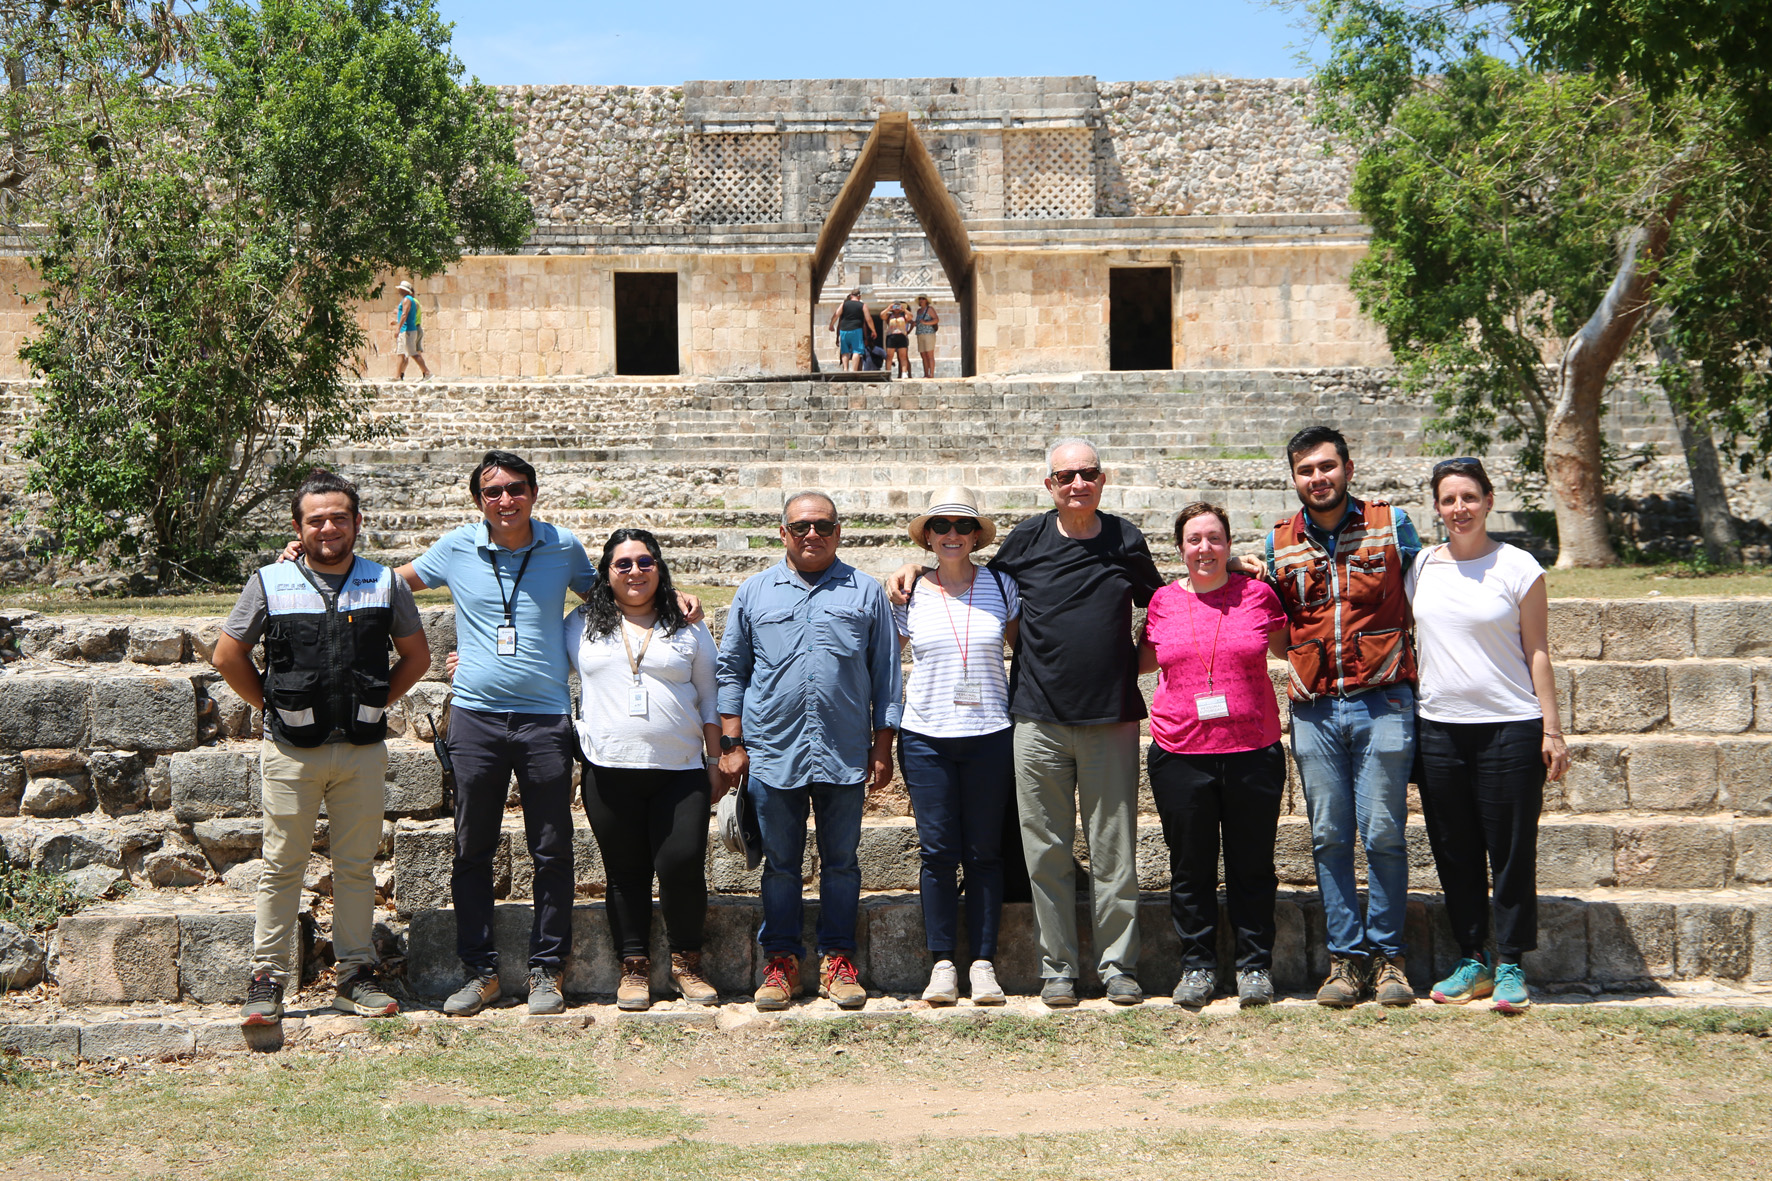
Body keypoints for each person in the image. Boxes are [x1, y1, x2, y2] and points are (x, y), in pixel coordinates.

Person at [889, 439, 1163, 1007]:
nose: (1077, 483)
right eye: (1066, 476)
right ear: (1050, 487)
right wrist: (914, 565)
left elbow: (1161, 606)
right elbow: (963, 577)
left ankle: (1118, 966)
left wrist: (1227, 565)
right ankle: (1057, 967)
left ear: (1102, 479)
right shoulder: (1026, 542)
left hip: (1110, 716)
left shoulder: (1126, 539)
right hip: (1035, 718)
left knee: (1113, 849)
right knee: (1046, 853)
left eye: (1087, 473)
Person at [213, 470, 432, 1027]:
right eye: (316, 520)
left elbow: (416, 657)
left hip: (361, 749)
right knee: (281, 866)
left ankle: (354, 976)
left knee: (356, 868)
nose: (328, 528)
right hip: (291, 752)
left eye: (339, 517)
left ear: (357, 523)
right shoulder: (269, 581)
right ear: (298, 527)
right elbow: (227, 656)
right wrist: (269, 706)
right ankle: (267, 982)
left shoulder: (386, 583)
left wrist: (378, 699)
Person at [407, 451, 596, 1018]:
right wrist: (308, 566)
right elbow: (393, 586)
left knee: (552, 849)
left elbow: (612, 597)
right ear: (477, 501)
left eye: (516, 488)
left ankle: (547, 971)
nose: (506, 500)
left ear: (534, 493)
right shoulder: (457, 546)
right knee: (472, 848)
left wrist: (675, 602)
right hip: (476, 718)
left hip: (544, 719)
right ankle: (481, 972)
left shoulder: (563, 546)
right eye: (493, 492)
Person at [1255, 425, 1423, 1008]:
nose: (1317, 479)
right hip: (1316, 708)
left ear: (1348, 469)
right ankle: (1344, 961)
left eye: (1327, 467)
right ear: (1294, 478)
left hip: (1385, 701)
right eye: (1306, 470)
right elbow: (1279, 630)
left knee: (1382, 833)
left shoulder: (1392, 525)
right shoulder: (1280, 542)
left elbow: (1428, 597)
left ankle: (1389, 958)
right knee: (1328, 836)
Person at [717, 492, 902, 1011]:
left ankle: (838, 958)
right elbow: (731, 670)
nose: (812, 535)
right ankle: (780, 961)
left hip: (844, 750)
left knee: (842, 862)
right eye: (800, 527)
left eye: (822, 525)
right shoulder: (754, 593)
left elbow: (886, 676)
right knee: (779, 864)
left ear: (839, 531)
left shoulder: (865, 593)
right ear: (783, 534)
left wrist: (882, 746)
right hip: (773, 749)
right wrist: (731, 743)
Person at [1407, 458, 1569, 1013]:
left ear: (1489, 500)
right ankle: (1472, 958)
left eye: (1469, 498)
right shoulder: (1422, 565)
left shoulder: (1519, 566)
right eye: (1448, 500)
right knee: (1454, 850)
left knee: (1511, 849)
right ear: (1436, 506)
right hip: (1438, 730)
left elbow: (1538, 650)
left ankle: (1511, 964)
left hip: (1509, 726)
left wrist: (1552, 728)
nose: (1459, 509)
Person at [563, 529, 723, 1012]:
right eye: (623, 564)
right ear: (606, 574)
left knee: (682, 866)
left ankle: (686, 964)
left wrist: (716, 761)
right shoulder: (579, 624)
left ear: (660, 568)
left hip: (679, 770)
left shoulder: (688, 623)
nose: (635, 572)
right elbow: (539, 666)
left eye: (645, 562)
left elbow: (711, 695)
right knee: (624, 874)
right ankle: (632, 967)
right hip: (608, 769)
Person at [1138, 503, 1289, 1009]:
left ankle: (1253, 966)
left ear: (1229, 543)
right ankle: (1198, 965)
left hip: (1253, 751)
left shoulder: (1258, 594)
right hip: (1181, 752)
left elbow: (1289, 649)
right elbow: (1141, 660)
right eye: (1194, 540)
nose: (1204, 549)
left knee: (1252, 865)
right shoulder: (1161, 602)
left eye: (1214, 538)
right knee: (1191, 866)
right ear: (1180, 548)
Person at [894, 487, 1020, 1006]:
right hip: (927, 736)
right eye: (940, 526)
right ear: (927, 537)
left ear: (976, 536)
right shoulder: (906, 594)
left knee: (986, 853)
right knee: (938, 853)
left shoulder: (1002, 585)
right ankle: (943, 962)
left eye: (962, 526)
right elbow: (884, 660)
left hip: (990, 731)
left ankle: (985, 962)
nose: (951, 535)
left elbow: (1026, 649)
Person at [390, 280, 432, 382]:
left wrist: (398, 328)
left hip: (407, 330)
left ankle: (427, 372)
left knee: (412, 353)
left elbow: (404, 314)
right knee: (401, 353)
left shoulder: (407, 300)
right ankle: (397, 376)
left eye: (400, 289)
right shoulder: (408, 299)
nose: (399, 290)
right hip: (406, 329)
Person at [828, 289, 874, 372]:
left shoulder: (844, 304)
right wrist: (873, 330)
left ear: (851, 295)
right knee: (856, 351)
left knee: (845, 350)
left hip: (844, 330)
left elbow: (836, 315)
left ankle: (845, 369)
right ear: (859, 296)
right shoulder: (863, 305)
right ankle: (854, 370)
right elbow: (868, 319)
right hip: (856, 330)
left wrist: (831, 325)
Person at [883, 301, 913, 379]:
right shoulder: (889, 316)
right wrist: (888, 308)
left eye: (898, 306)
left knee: (903, 356)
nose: (896, 308)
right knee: (889, 356)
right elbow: (882, 315)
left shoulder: (903, 315)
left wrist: (904, 310)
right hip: (891, 336)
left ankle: (904, 372)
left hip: (901, 336)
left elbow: (910, 317)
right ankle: (888, 373)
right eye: (895, 307)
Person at [913, 295, 939, 378]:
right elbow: (918, 322)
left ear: (926, 300)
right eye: (920, 299)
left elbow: (936, 319)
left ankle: (931, 374)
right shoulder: (918, 311)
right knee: (923, 355)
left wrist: (926, 323)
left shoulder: (930, 309)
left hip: (929, 333)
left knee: (930, 354)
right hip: (920, 333)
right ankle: (926, 374)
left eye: (923, 299)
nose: (921, 300)